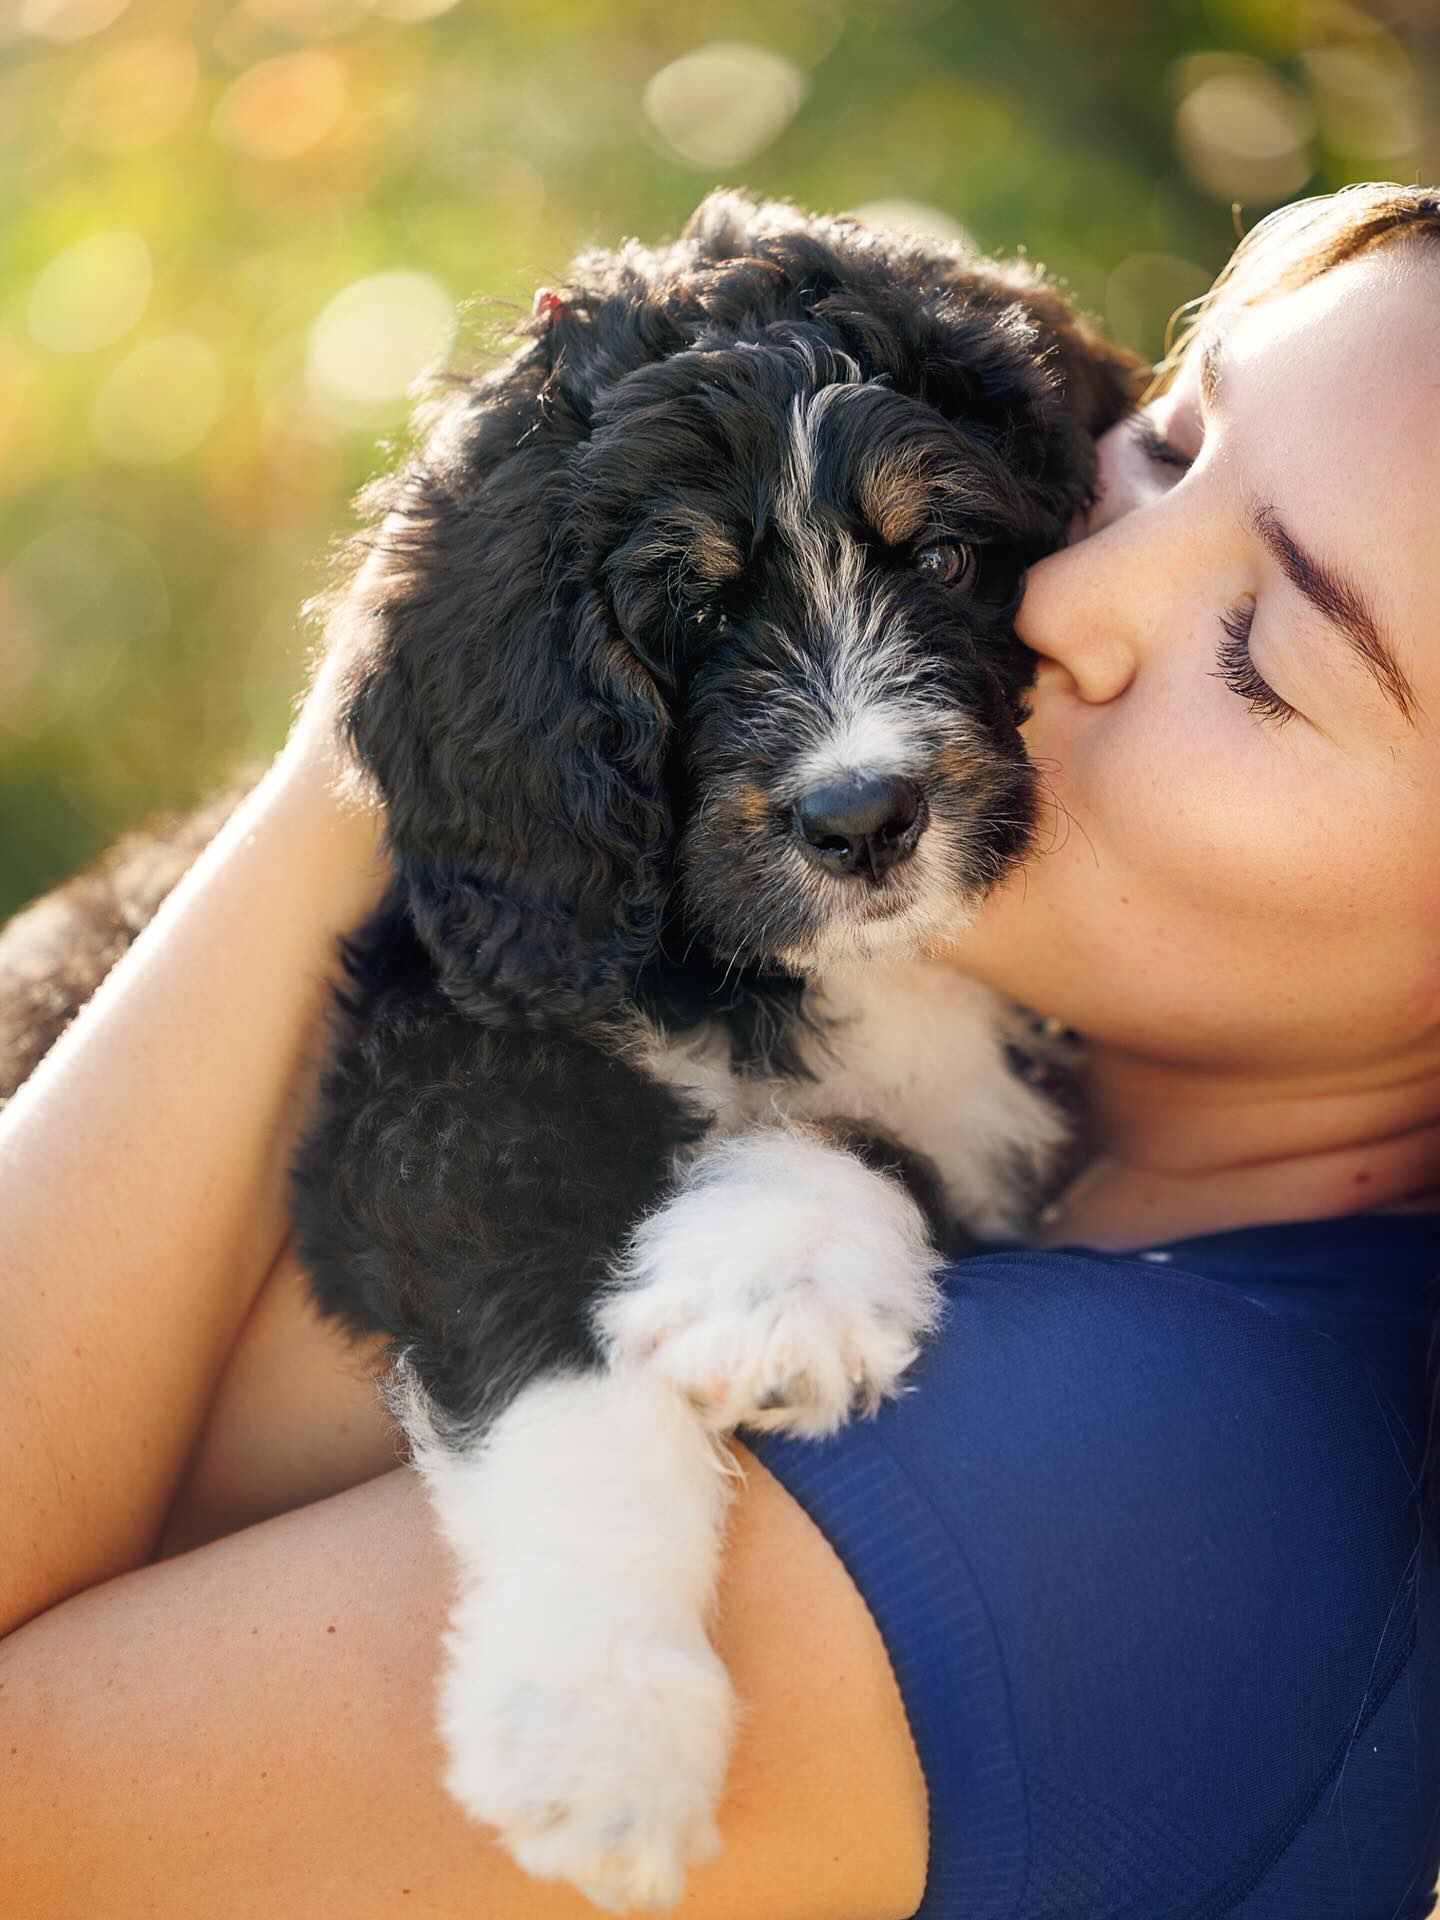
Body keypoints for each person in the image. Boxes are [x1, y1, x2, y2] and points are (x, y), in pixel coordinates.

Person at [2, 181, 1438, 1918]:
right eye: (1166, 444)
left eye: (1268, 650)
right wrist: (398, 701)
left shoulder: (1123, 1476)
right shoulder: (1047, 1136)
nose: (1069, 600)